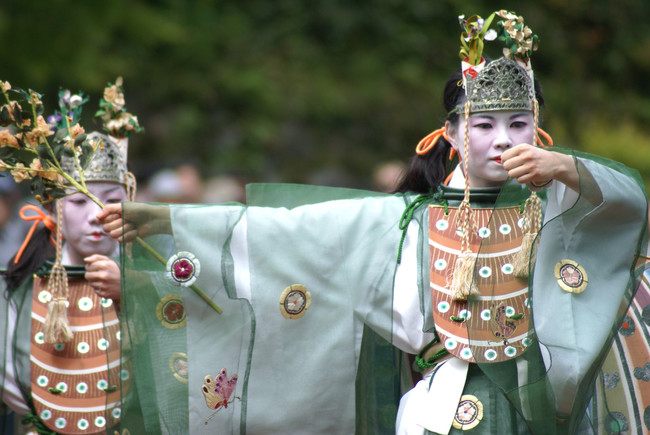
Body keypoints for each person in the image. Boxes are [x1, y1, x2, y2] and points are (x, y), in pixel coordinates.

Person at [98, 10, 648, 434]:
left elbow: (628, 209)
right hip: (444, 410)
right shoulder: (406, 221)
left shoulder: (559, 208)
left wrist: (569, 169)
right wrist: (173, 218)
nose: (503, 138)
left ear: (538, 132)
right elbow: (288, 234)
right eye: (483, 124)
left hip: (543, 412)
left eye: (519, 123)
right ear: (451, 136)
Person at [0, 132, 131, 434]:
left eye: (112, 200)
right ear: (51, 210)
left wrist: (132, 293)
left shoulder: (158, 283)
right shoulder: (14, 293)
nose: (98, 215)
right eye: (79, 201)